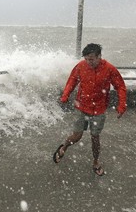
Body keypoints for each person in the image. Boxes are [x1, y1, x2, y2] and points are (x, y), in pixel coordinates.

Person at [53, 43, 127, 176]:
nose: (88, 62)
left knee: (95, 137)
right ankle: (64, 147)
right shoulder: (81, 66)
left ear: (99, 56)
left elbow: (120, 86)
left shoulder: (109, 69)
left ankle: (96, 161)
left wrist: (122, 106)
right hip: (81, 106)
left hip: (99, 109)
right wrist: (65, 96)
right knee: (77, 136)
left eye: (91, 59)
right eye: (86, 59)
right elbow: (72, 81)